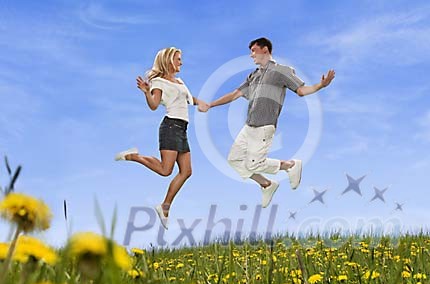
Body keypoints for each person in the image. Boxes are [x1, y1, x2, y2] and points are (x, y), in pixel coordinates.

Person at [204, 37, 335, 208]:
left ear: (265, 50)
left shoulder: (281, 71)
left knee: (255, 164)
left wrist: (320, 86)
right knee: (234, 160)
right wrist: (211, 104)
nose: (251, 55)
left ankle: (290, 165)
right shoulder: (253, 75)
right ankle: (267, 184)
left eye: (254, 50)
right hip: (248, 126)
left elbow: (301, 91)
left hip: (265, 126)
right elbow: (235, 94)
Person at [115, 47, 209, 229]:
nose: (181, 62)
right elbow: (154, 105)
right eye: (178, 59)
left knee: (186, 171)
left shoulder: (180, 81)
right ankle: (134, 156)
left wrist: (201, 103)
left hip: (182, 129)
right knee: (166, 170)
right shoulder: (158, 82)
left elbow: (188, 98)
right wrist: (146, 91)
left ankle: (164, 206)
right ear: (168, 61)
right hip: (170, 127)